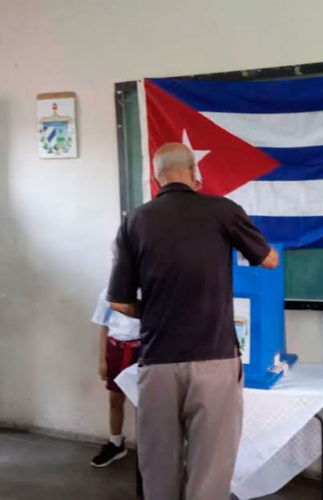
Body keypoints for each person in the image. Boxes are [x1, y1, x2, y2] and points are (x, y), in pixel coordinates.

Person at [106, 143, 278, 500]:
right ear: (195, 174)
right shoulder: (223, 211)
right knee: (210, 472)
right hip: (214, 357)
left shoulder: (135, 221)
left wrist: (152, 308)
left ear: (156, 178)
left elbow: (120, 302)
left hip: (157, 361)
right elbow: (270, 260)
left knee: (158, 470)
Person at [90, 287, 141, 467]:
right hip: (116, 351)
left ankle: (148, 449)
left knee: (145, 404)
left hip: (142, 351)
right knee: (115, 400)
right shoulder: (108, 292)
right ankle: (116, 443)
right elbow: (104, 327)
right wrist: (102, 360)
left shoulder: (151, 288)